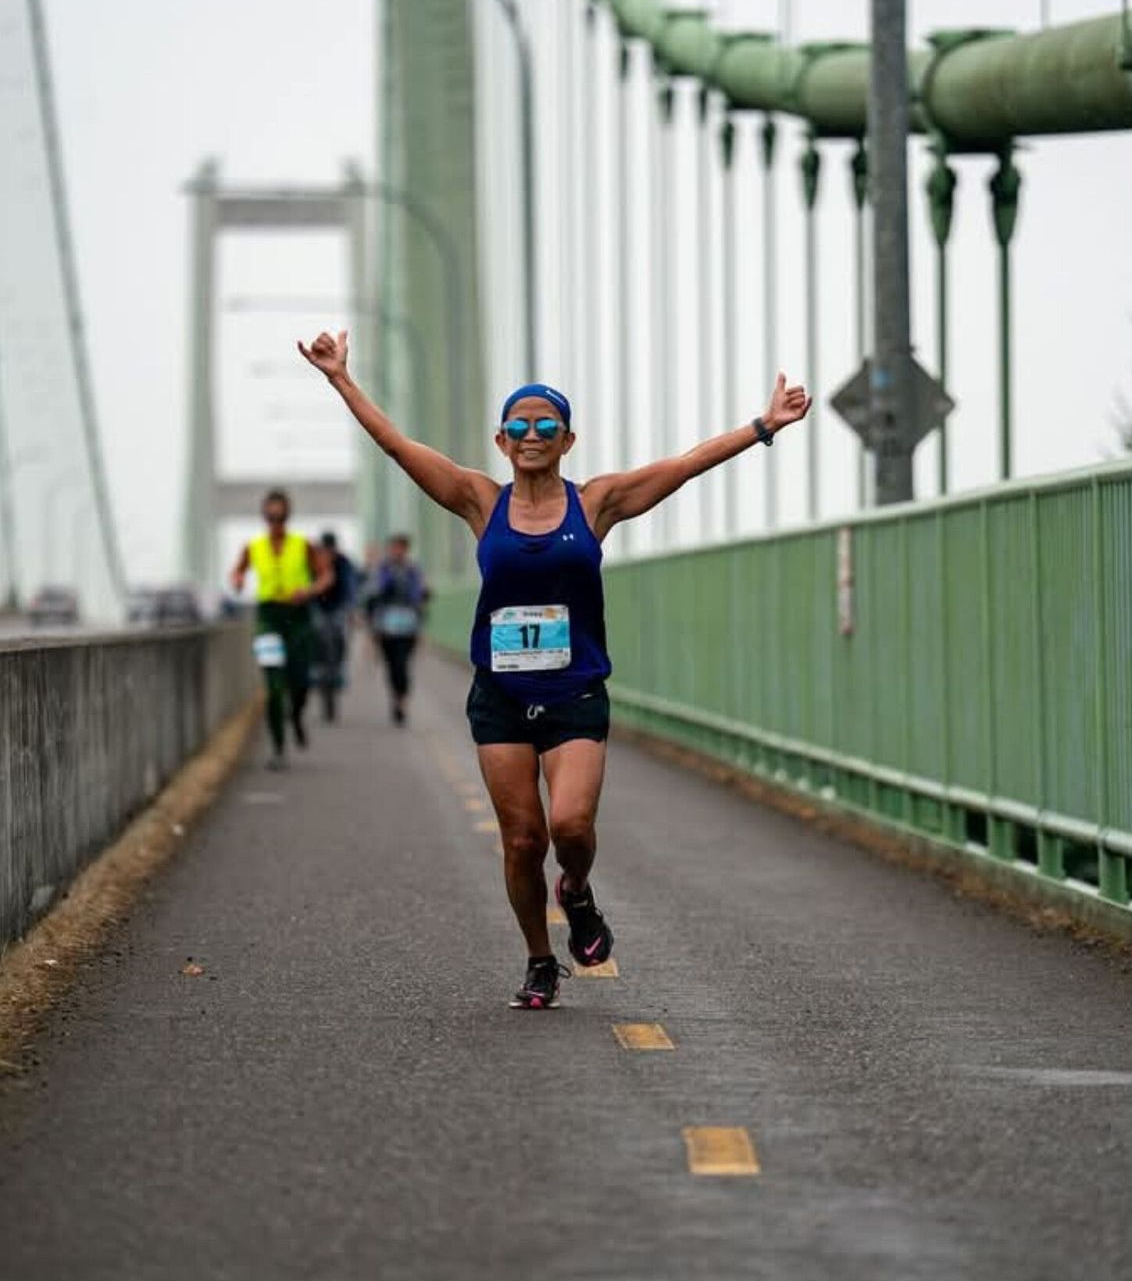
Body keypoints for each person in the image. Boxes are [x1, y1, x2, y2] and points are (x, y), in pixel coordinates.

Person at [298, 328, 810, 1009]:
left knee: (569, 827)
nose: (531, 433)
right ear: (501, 441)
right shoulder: (481, 501)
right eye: (518, 425)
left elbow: (685, 465)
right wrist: (340, 378)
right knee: (521, 839)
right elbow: (397, 446)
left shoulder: (594, 503)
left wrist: (763, 426)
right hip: (501, 697)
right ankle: (541, 960)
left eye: (546, 424)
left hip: (574, 692)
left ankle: (577, 891)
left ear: (567, 440)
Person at [229, 489, 332, 770]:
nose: (275, 521)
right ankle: (278, 748)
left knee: (300, 682)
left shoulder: (303, 545)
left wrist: (309, 590)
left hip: (298, 617)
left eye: (280, 516)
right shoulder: (253, 547)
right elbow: (237, 571)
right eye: (270, 516)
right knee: (273, 685)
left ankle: (296, 715)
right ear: (265, 517)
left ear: (287, 516)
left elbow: (326, 576)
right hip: (268, 619)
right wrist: (238, 580)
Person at [363, 533, 429, 725]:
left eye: (400, 548)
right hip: (386, 626)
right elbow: (373, 595)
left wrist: (420, 625)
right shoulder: (382, 569)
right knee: (391, 664)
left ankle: (402, 699)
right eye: (394, 547)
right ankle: (396, 696)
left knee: (402, 663)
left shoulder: (413, 570)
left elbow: (419, 597)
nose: (397, 551)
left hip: (407, 625)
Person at [311, 530, 360, 722]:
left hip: (337, 608)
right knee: (315, 636)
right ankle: (316, 670)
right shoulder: (313, 562)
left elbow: (351, 588)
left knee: (340, 638)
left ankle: (339, 670)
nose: (328, 553)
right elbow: (306, 582)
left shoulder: (344, 563)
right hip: (318, 608)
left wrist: (352, 609)